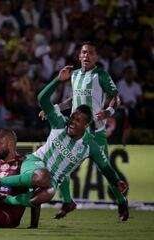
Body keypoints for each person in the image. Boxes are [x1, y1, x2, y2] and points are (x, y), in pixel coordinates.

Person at [0, 66, 129, 223]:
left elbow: (105, 167)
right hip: (35, 163)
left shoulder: (89, 145)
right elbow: (42, 99)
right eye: (72, 117)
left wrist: (116, 181)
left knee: (47, 193)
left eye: (78, 121)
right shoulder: (60, 123)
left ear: (86, 125)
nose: (72, 122)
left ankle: (4, 199)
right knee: (44, 177)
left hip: (50, 180)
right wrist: (57, 81)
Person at [38, 42, 127, 220]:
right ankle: (68, 202)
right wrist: (53, 108)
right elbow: (72, 100)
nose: (87, 56)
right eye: (84, 52)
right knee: (61, 167)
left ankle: (121, 203)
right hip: (75, 131)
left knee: (105, 170)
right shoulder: (75, 75)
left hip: (95, 133)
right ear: (79, 56)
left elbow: (116, 98)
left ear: (96, 57)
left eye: (91, 53)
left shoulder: (100, 75)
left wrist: (108, 112)